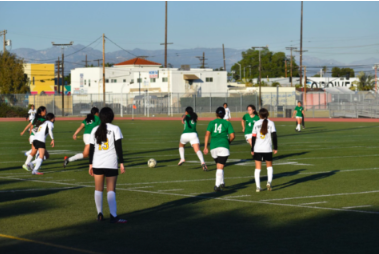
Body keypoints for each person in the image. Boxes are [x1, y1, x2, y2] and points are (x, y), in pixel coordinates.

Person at [89, 107, 126, 223]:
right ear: (111, 117)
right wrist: (122, 163)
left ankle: (100, 214)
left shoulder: (95, 129)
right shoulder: (115, 128)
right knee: (111, 190)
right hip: (111, 163)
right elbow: (119, 147)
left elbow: (91, 148)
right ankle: (113, 216)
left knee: (98, 189)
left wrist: (90, 164)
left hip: (97, 163)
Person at [204, 107, 235, 192]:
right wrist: (228, 141)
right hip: (223, 146)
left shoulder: (211, 122)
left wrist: (205, 147)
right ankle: (217, 186)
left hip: (213, 147)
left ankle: (222, 182)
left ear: (216, 114)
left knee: (219, 165)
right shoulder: (227, 123)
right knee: (220, 166)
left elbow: (207, 135)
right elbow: (232, 136)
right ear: (224, 115)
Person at [251, 108, 278, 192]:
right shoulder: (271, 123)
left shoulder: (256, 123)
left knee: (257, 168)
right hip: (267, 149)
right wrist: (275, 147)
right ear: (267, 114)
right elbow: (274, 136)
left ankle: (258, 187)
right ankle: (269, 182)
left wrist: (252, 149)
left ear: (259, 115)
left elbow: (253, 137)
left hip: (258, 148)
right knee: (269, 167)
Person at [178, 106, 207, 171]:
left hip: (185, 135)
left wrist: (183, 118)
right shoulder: (194, 116)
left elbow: (184, 118)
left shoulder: (186, 116)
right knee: (197, 150)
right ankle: (203, 162)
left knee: (181, 145)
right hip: (194, 135)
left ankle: (182, 158)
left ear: (186, 111)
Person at [21, 106, 47, 171]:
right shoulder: (43, 120)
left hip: (33, 136)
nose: (46, 112)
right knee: (41, 153)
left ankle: (29, 164)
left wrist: (30, 136)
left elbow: (31, 127)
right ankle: (32, 164)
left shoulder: (35, 118)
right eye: (45, 111)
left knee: (35, 151)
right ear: (41, 112)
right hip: (37, 137)